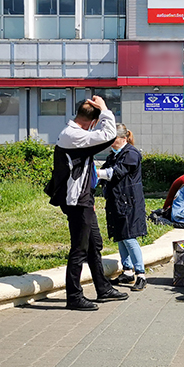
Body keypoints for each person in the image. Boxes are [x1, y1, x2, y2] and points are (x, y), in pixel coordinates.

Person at [46, 96, 128, 311]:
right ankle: (73, 297)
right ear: (91, 122)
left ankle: (103, 288)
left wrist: (100, 112)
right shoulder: (73, 135)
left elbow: (102, 136)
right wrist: (105, 109)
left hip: (84, 198)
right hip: (76, 201)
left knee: (94, 244)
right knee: (79, 249)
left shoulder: (76, 134)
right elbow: (109, 135)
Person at [98, 124, 148, 292]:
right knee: (120, 235)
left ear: (123, 138)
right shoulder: (114, 155)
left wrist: (95, 173)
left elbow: (115, 173)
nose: (110, 141)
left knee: (129, 236)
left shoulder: (131, 154)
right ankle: (127, 271)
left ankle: (141, 273)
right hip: (117, 201)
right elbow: (107, 170)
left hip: (130, 202)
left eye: (113, 138)